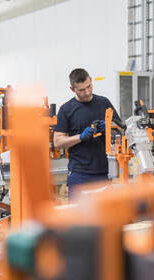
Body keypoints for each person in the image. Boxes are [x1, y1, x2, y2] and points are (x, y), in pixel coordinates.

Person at [54, 68, 122, 198]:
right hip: (80, 175)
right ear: (72, 89)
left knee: (105, 217)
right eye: (81, 90)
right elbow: (57, 142)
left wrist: (109, 127)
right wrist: (80, 137)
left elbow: (121, 130)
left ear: (90, 80)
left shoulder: (104, 103)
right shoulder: (66, 109)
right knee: (79, 217)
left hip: (105, 173)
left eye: (89, 86)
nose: (87, 92)